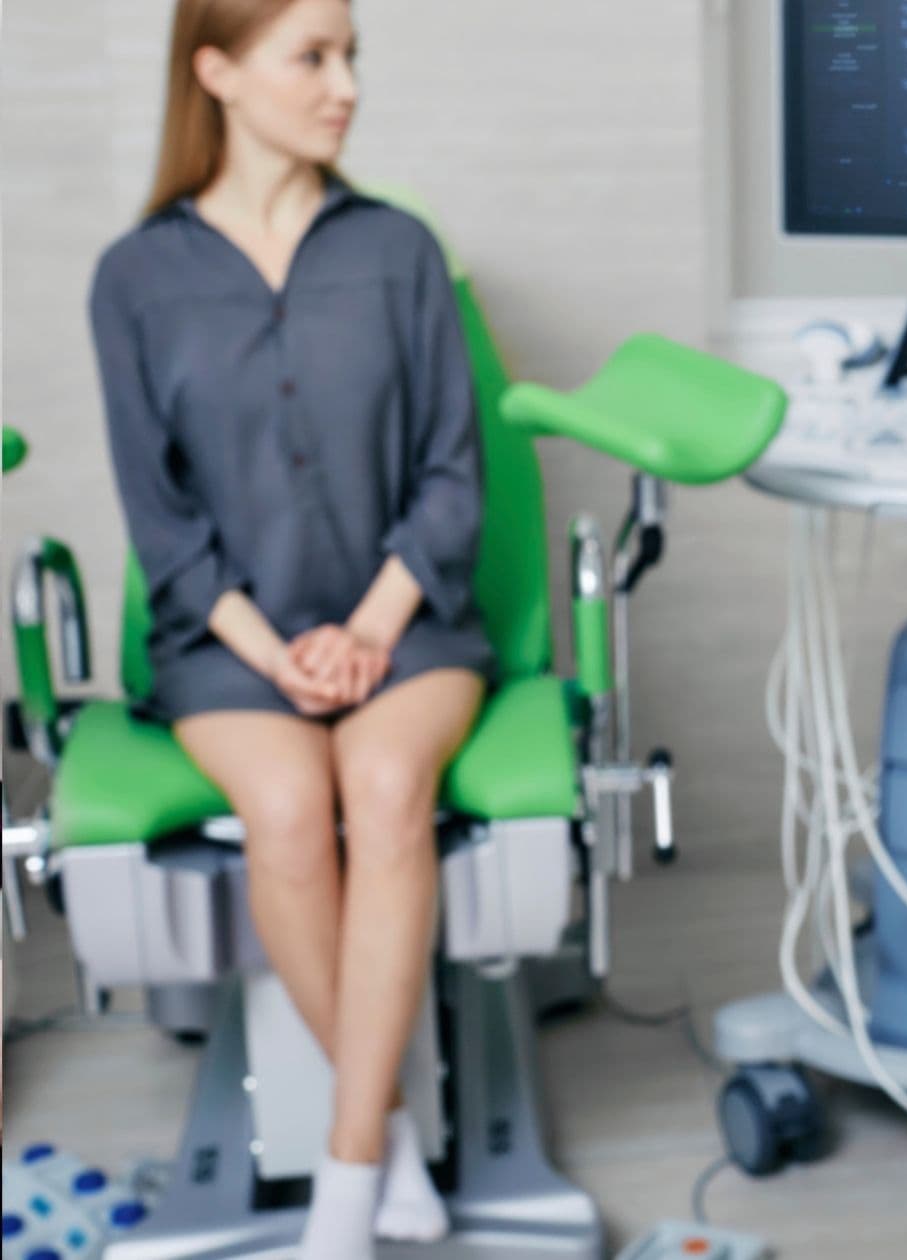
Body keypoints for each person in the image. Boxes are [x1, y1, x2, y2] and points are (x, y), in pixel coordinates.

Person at [88, 1, 487, 1254]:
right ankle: (397, 1132)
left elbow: (452, 476)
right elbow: (162, 521)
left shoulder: (399, 249)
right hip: (228, 647)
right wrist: (278, 655)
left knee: (380, 782)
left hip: (407, 626)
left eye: (350, 55)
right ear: (217, 72)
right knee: (283, 811)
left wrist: (365, 635)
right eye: (310, 57)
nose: (345, 85)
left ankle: (349, 1176)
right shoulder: (136, 278)